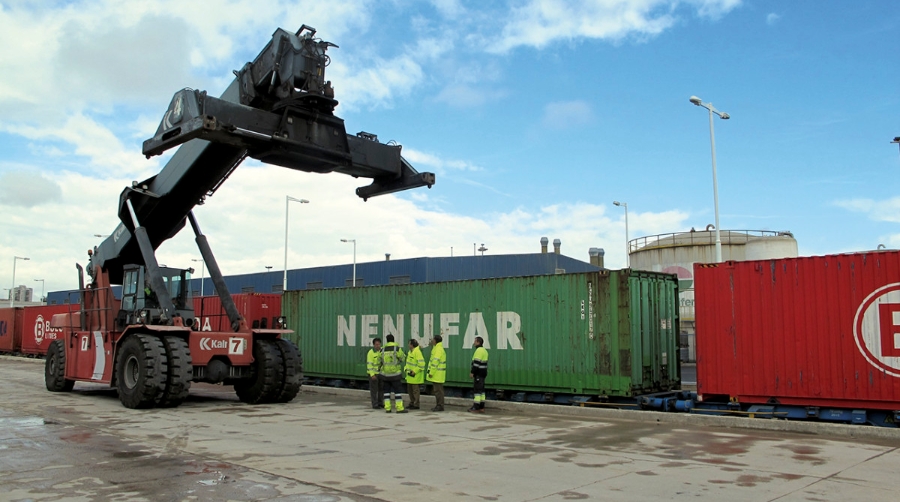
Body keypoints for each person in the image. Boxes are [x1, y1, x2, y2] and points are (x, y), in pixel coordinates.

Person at [380, 334, 407, 413]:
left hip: (385, 375)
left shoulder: (382, 350)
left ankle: (387, 408)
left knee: (386, 392)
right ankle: (399, 408)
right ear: (393, 340)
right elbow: (402, 358)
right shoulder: (397, 349)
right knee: (397, 392)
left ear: (387, 340)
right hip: (395, 374)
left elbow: (379, 360)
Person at [468, 336, 489, 413]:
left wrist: (472, 372)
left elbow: (476, 363)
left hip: (478, 374)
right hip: (483, 373)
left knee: (477, 391)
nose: (474, 343)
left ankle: (476, 407)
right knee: (482, 391)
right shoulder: (484, 350)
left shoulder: (479, 351)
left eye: (475, 341)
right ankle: (481, 406)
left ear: (478, 342)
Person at [426, 335, 446, 412]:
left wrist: (431, 372)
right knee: (438, 391)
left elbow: (435, 362)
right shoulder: (437, 348)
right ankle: (439, 405)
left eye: (433, 339)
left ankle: (440, 406)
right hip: (437, 374)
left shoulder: (438, 349)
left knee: (438, 391)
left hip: (437, 374)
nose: (432, 341)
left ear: (435, 341)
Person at [404, 339, 425, 410]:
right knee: (410, 391)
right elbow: (408, 363)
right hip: (410, 376)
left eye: (409, 344)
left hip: (415, 376)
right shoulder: (411, 352)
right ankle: (412, 403)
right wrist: (405, 369)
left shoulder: (417, 352)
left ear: (412, 345)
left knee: (415, 391)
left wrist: (414, 371)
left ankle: (416, 404)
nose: (408, 345)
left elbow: (421, 364)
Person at [366, 338, 383, 409]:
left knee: (381, 389)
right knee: (374, 390)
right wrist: (372, 374)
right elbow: (369, 365)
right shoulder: (371, 353)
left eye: (379, 344)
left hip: (381, 373)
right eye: (376, 344)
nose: (378, 346)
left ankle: (380, 403)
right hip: (374, 374)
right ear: (373, 345)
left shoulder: (382, 351)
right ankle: (375, 404)